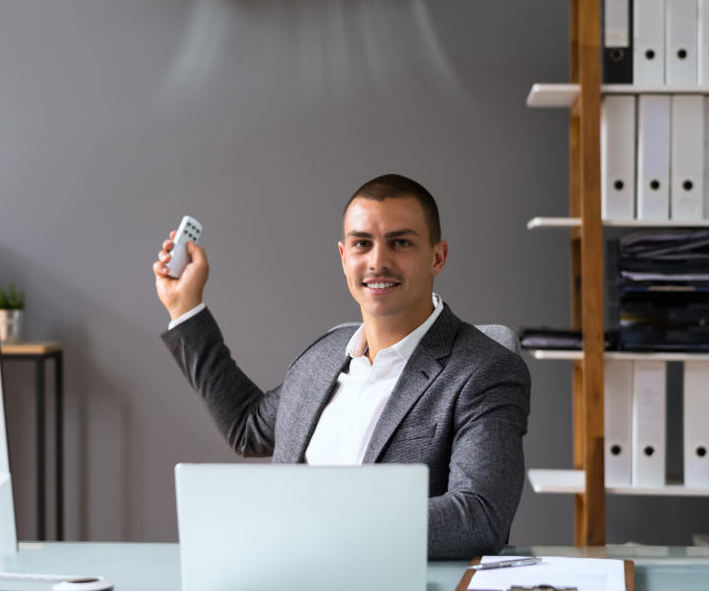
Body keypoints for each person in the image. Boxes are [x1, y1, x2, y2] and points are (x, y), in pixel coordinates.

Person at [152, 174, 530, 559]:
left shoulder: (485, 369)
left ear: (437, 257)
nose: (378, 262)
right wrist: (185, 309)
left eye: (400, 243)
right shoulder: (324, 355)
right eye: (362, 244)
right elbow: (248, 428)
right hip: (283, 583)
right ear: (344, 256)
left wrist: (325, 529)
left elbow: (480, 517)